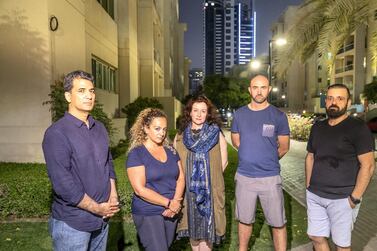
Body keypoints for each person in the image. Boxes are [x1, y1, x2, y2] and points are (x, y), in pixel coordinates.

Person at [42, 70, 120, 251]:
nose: (89, 96)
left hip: (102, 219)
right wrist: (97, 208)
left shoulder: (99, 127)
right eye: (82, 91)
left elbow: (108, 163)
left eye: (92, 91)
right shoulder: (57, 133)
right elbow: (63, 185)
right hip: (72, 223)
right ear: (68, 96)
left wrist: (113, 196)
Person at [305, 84, 375, 251]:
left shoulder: (357, 128)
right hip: (315, 195)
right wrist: (308, 186)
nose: (333, 102)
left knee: (341, 245)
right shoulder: (318, 127)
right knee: (315, 236)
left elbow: (368, 165)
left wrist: (354, 198)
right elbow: (310, 157)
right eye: (330, 98)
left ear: (348, 102)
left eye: (339, 98)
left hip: (342, 198)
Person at [231, 75, 290, 251]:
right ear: (249, 90)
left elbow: (284, 147)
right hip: (244, 177)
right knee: (244, 220)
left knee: (278, 222)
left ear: (269, 89)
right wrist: (250, 156)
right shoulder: (239, 114)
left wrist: (267, 159)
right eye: (255, 87)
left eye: (263, 87)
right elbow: (236, 141)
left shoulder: (278, 116)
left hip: (270, 178)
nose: (259, 91)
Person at [126, 108, 185, 251]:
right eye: (157, 128)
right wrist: (169, 203)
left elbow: (181, 177)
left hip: (172, 211)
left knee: (166, 246)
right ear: (146, 128)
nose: (162, 133)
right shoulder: (137, 154)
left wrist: (176, 202)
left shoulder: (171, 151)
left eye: (164, 129)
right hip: (148, 211)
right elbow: (140, 189)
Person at [174, 95, 228, 251]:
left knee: (207, 235)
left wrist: (207, 180)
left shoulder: (216, 134)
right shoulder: (181, 136)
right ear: (189, 112)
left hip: (209, 194)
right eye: (195, 110)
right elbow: (176, 164)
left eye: (203, 111)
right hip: (189, 193)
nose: (198, 114)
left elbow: (223, 162)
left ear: (208, 113)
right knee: (193, 234)